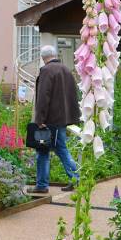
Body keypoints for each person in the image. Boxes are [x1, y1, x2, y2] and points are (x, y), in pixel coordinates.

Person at [29, 45, 80, 194]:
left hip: (49, 120)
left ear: (43, 57)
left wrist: (40, 119)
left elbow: (43, 97)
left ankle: (42, 185)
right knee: (61, 149)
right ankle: (75, 179)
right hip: (62, 119)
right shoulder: (66, 70)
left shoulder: (46, 71)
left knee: (42, 152)